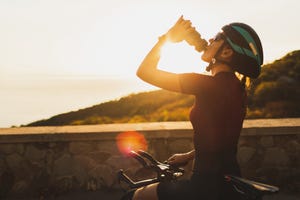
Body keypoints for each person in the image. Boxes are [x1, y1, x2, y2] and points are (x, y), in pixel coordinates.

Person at [130, 16, 263, 200]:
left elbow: (144, 72)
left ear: (226, 53)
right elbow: (221, 138)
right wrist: (190, 155)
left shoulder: (207, 85)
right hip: (230, 181)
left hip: (207, 185)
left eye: (217, 38)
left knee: (139, 195)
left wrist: (167, 38)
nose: (209, 40)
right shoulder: (238, 88)